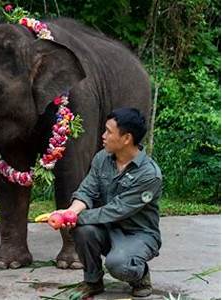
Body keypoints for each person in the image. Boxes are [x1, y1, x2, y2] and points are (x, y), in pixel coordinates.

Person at [54, 107, 162, 298]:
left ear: (126, 138)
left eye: (109, 131)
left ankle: (140, 274)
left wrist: (78, 218)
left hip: (138, 234)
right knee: (82, 230)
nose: (103, 136)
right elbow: (87, 190)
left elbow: (116, 210)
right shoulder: (102, 158)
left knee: (118, 265)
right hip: (107, 228)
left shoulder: (149, 175)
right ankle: (93, 282)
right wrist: (70, 213)